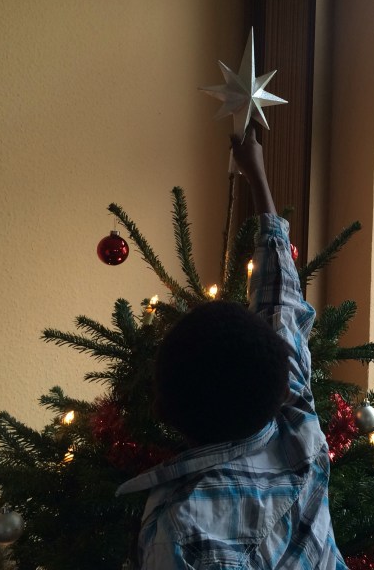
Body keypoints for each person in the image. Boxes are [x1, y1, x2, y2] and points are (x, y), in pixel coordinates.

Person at [117, 129, 348, 569]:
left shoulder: (183, 528)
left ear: (163, 410)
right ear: (281, 384)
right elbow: (281, 303)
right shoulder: (299, 428)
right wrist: (257, 175)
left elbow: (280, 309)